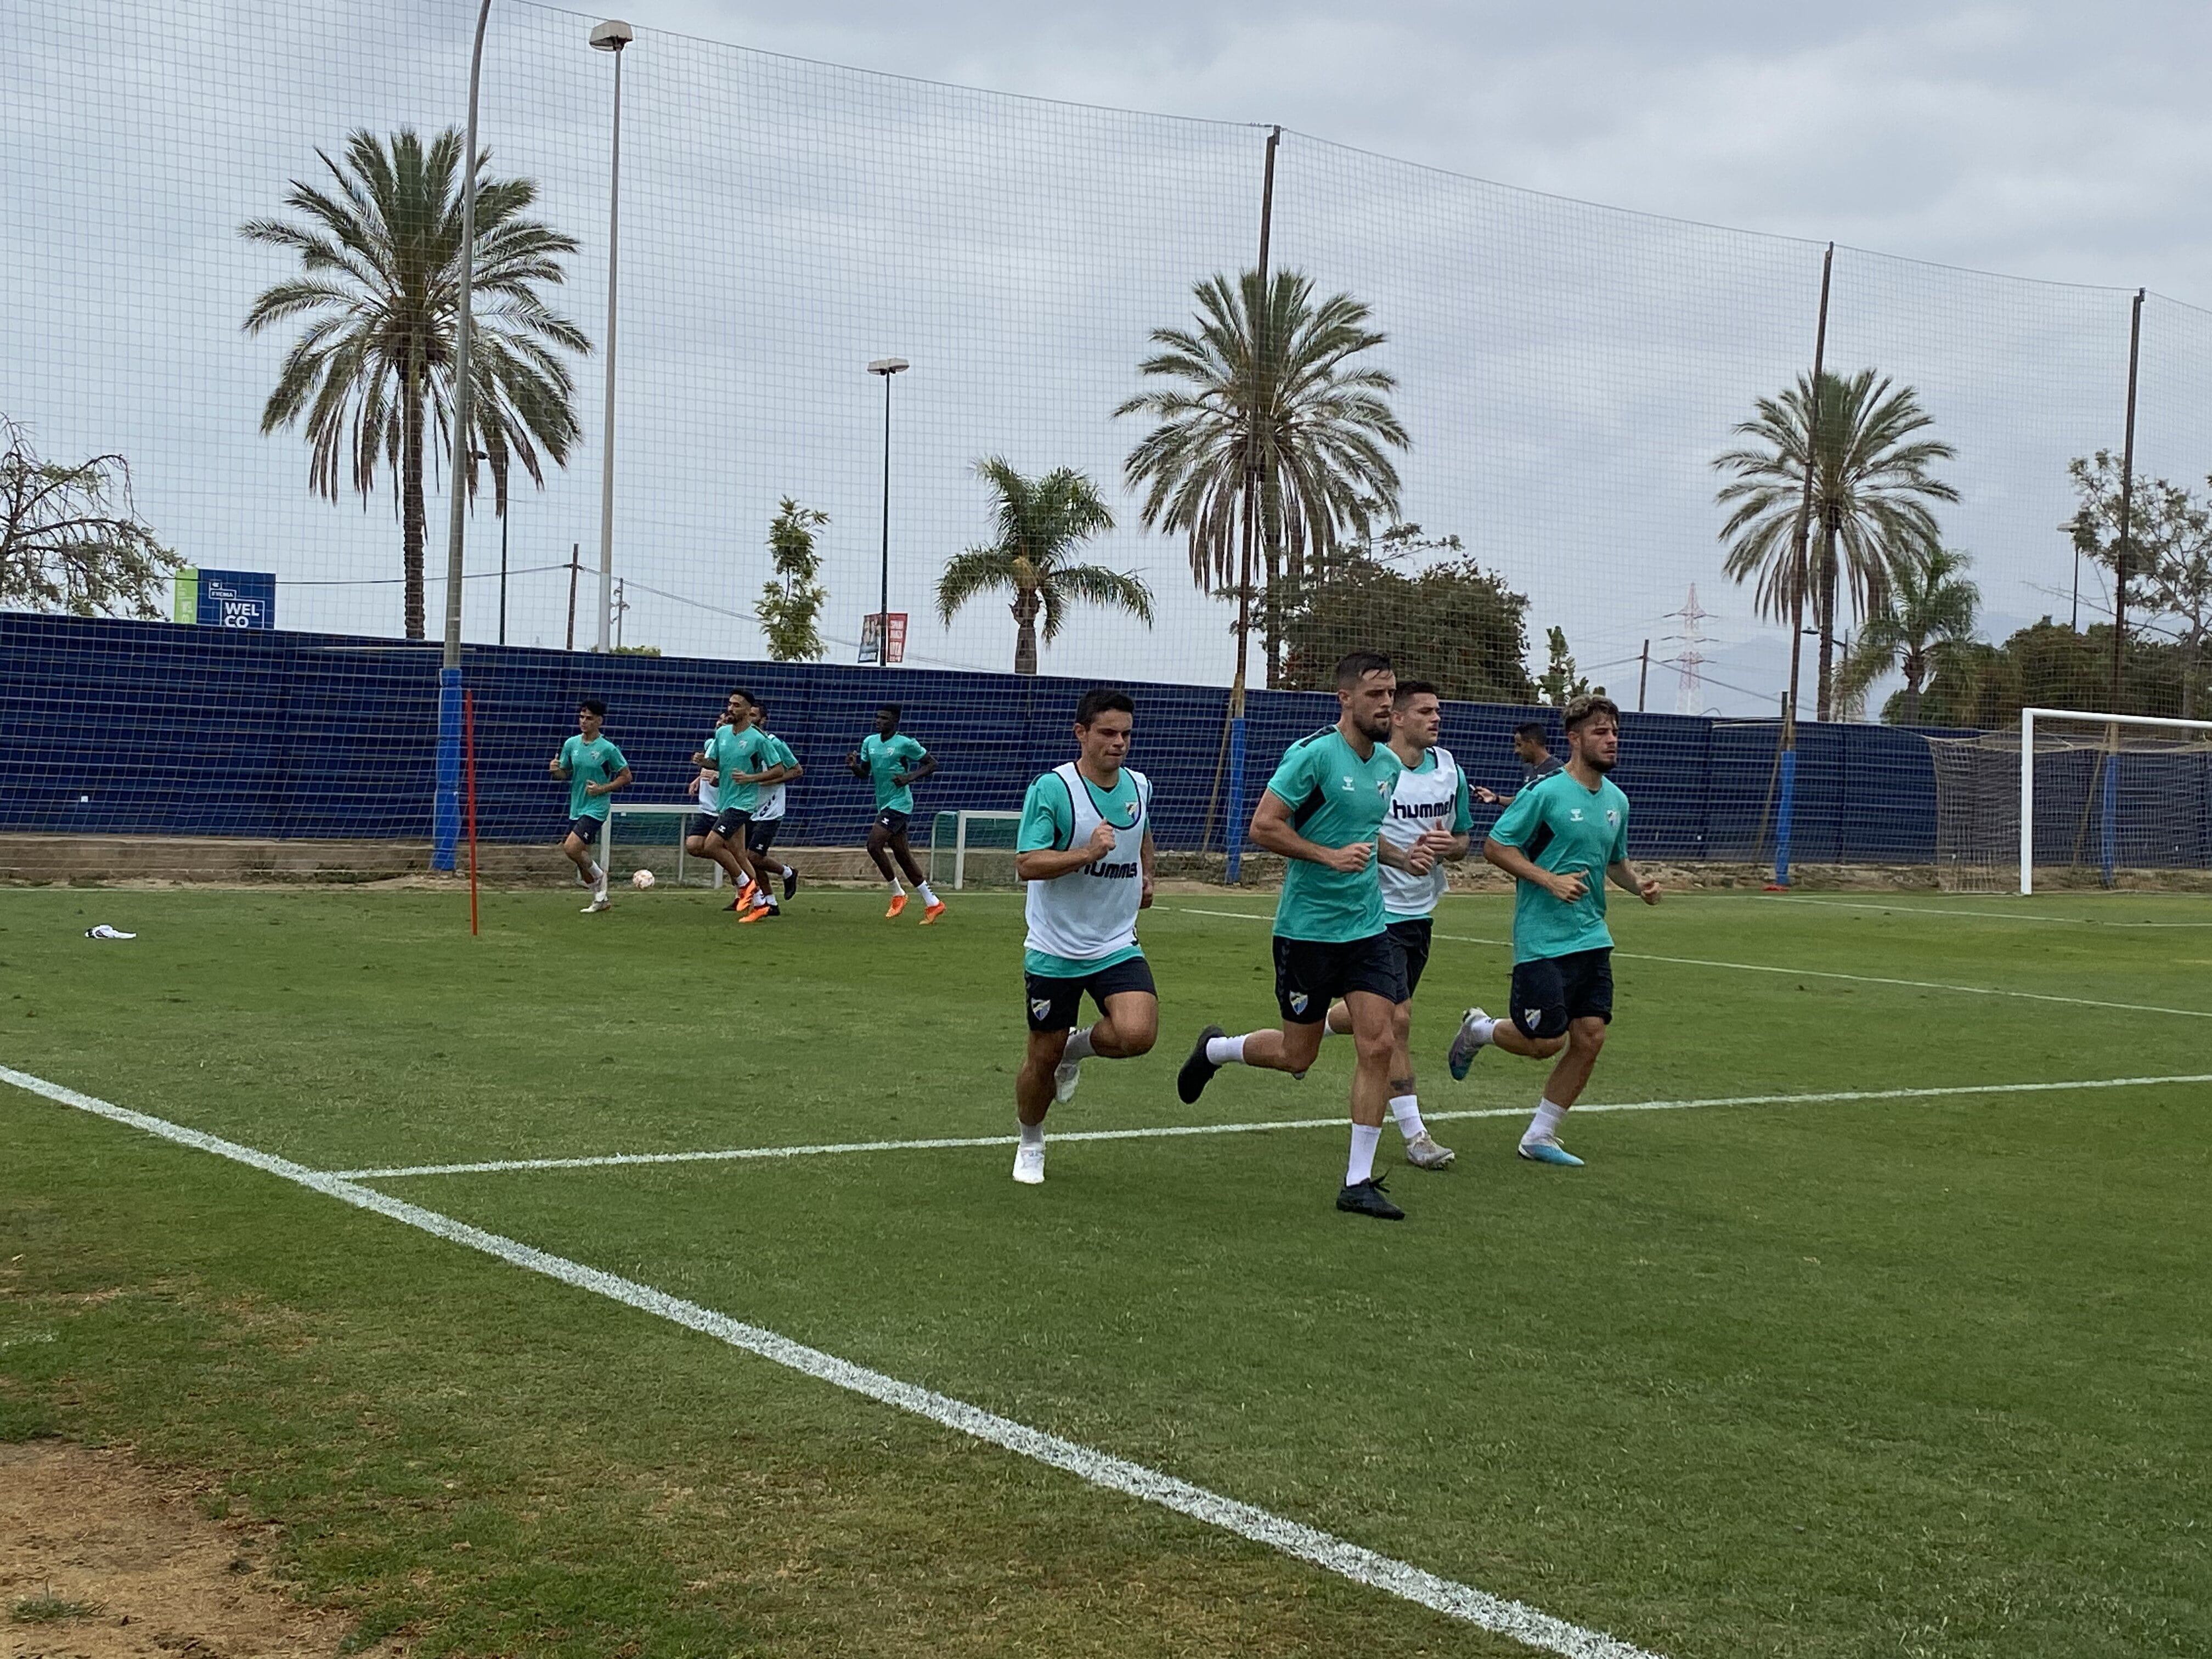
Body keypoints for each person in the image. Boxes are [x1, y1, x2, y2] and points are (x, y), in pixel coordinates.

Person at [1175, 650, 1434, 1222]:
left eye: (1390, 694)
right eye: (1374, 695)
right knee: (1299, 1054)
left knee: (1380, 1040)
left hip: (1367, 927)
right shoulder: (1313, 756)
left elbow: (1364, 837)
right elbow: (1264, 826)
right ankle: (1216, 1050)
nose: (1385, 704)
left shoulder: (1390, 766)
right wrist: (1327, 856)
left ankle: (1358, 1181)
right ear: (1344, 699)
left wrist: (1400, 857)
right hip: (1307, 932)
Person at [1446, 694, 1661, 1166]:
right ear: (1575, 739)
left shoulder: (1616, 800)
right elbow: (1497, 847)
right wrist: (1549, 879)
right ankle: (1479, 1031)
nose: (1611, 740)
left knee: (1591, 1037)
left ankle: (1540, 1135)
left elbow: (1614, 862)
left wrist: (1638, 884)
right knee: (1544, 1043)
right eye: (1601, 733)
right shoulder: (1544, 792)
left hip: (1591, 937)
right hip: (1542, 940)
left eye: (1615, 733)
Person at [1313, 679, 1470, 1171]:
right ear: (1397, 718)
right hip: (1375, 912)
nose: (1436, 718)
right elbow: (1353, 831)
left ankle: (1307, 1032)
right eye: (1424, 710)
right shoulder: (1373, 768)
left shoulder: (1449, 770)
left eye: (1438, 710)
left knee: (1377, 1019)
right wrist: (1398, 858)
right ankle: (1415, 1133)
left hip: (1420, 913)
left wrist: (1449, 848)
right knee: (1398, 1022)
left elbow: (1465, 839)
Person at [1007, 688, 1159, 1185]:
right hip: (1055, 948)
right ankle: (1031, 1140)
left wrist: (1148, 876)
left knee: (1138, 1034)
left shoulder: (1139, 785)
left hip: (1115, 941)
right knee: (1040, 1057)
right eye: (1108, 733)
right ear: (1081, 733)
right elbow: (1028, 863)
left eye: (1126, 734)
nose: (1119, 743)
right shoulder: (1053, 789)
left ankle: (1078, 1049)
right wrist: (1086, 854)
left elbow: (1142, 835)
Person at [846, 705, 944, 922]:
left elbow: (932, 764)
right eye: (877, 717)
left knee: (873, 844)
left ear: (894, 722)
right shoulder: (869, 742)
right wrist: (854, 767)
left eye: (884, 718)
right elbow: (865, 774)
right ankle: (933, 903)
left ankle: (898, 893)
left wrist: (909, 777)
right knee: (902, 855)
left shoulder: (905, 744)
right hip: (884, 803)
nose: (878, 721)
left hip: (900, 804)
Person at [549, 699, 632, 913]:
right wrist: (555, 770)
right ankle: (600, 899)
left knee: (571, 847)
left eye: (589, 718)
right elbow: (565, 773)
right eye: (582, 717)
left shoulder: (608, 749)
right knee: (580, 858)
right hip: (577, 805)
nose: (584, 722)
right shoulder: (571, 744)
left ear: (599, 721)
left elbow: (626, 776)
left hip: (597, 807)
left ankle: (600, 876)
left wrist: (602, 789)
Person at [697, 692, 778, 910]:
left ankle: (745, 885)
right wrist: (702, 761)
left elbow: (778, 769)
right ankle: (761, 902)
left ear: (747, 710)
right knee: (740, 856)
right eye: (730, 704)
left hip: (743, 802)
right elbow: (715, 764)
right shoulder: (722, 733)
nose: (731, 709)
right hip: (725, 800)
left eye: (737, 705)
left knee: (712, 844)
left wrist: (751, 778)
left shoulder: (758, 739)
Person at [740, 699, 803, 922]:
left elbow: (797, 770)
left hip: (771, 809)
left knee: (753, 856)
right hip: (748, 806)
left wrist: (773, 779)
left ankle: (788, 872)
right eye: (749, 716)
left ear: (764, 720)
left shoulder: (775, 743)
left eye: (755, 717)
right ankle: (770, 903)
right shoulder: (744, 743)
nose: (751, 720)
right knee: (750, 860)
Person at [1472, 720, 1561, 807]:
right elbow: (1523, 801)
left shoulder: (1558, 770)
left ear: (1531, 743)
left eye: (1519, 745)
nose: (1516, 751)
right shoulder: (1527, 768)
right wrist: (1495, 798)